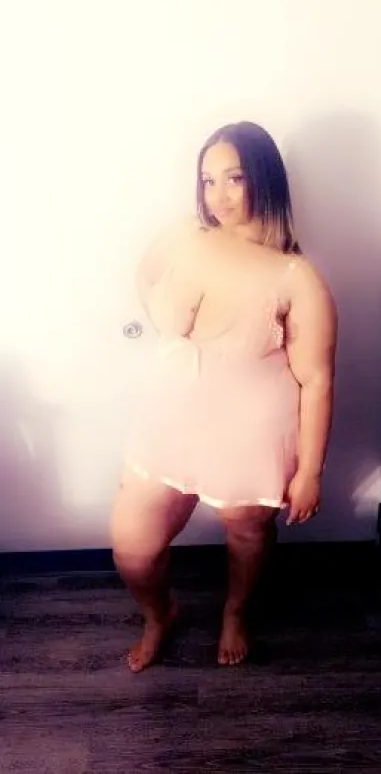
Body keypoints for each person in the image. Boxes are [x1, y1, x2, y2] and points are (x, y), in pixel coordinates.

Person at [110, 121, 337, 672]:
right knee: (133, 545)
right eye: (208, 180)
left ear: (264, 178)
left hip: (250, 428)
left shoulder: (296, 276)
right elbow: (145, 277)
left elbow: (317, 379)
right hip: (174, 416)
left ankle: (236, 612)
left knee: (246, 530)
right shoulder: (188, 236)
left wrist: (311, 472)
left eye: (233, 178)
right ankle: (160, 614)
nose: (219, 195)